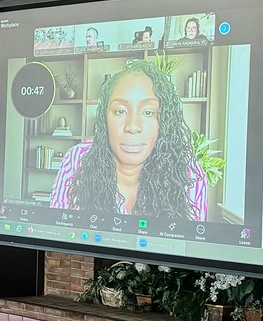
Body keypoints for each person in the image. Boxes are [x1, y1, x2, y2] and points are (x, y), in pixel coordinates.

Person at [49, 58, 207, 220]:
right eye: (120, 111)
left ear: (164, 121)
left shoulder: (189, 174)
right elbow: (56, 231)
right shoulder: (77, 160)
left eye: (148, 112)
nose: (132, 126)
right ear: (105, 118)